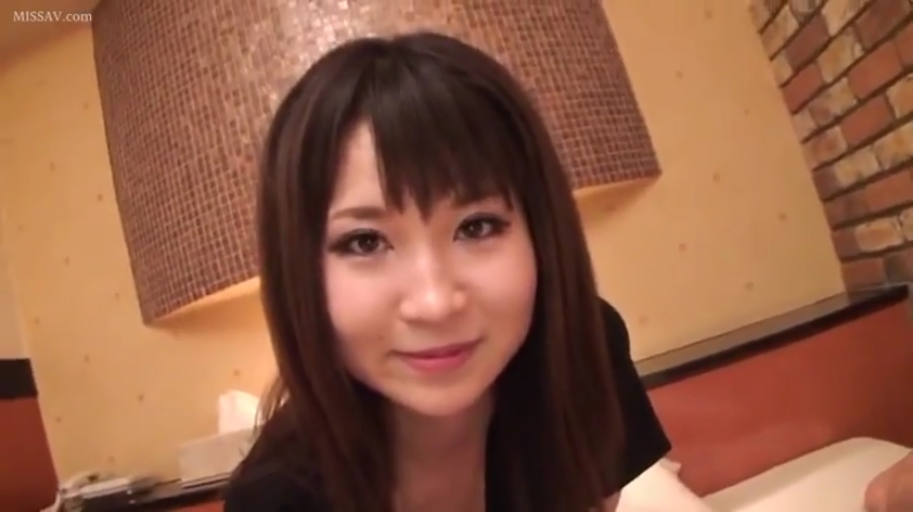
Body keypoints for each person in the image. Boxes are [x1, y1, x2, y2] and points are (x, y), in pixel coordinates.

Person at [224, 30, 670, 512]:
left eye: (476, 227)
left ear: (541, 230)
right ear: (300, 273)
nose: (435, 303)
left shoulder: (582, 349)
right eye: (366, 241)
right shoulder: (277, 500)